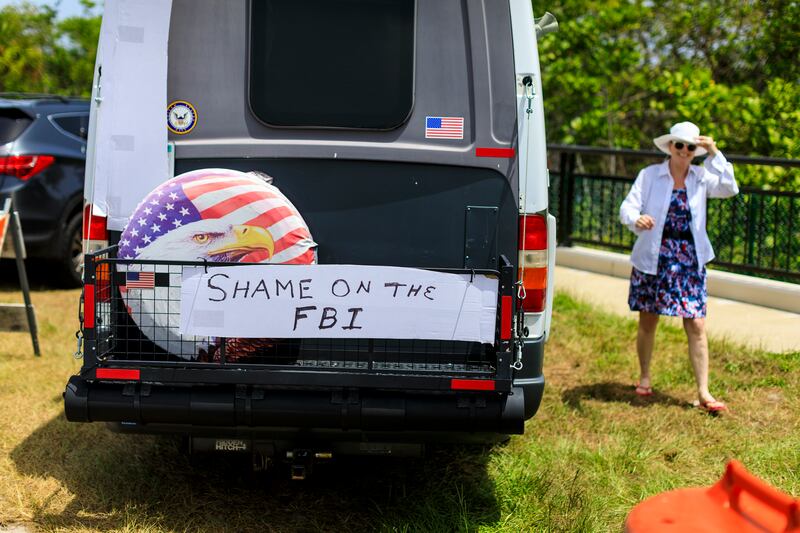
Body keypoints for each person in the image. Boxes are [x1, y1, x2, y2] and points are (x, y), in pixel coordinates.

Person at [619, 121, 738, 413]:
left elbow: (730, 188)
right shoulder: (649, 175)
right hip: (654, 256)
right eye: (679, 145)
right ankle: (645, 377)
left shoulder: (701, 176)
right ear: (671, 147)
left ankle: (703, 391)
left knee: (696, 322)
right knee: (648, 319)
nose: (684, 151)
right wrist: (636, 219)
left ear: (695, 151)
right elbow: (627, 207)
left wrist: (715, 153)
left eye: (690, 147)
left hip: (689, 259)